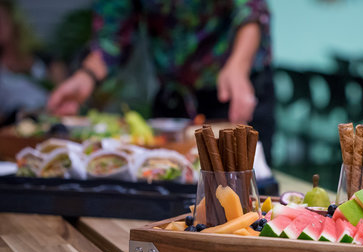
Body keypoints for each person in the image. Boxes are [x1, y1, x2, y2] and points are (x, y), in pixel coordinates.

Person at [47, 0, 274, 160]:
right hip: (174, 100)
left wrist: (238, 66)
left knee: (246, 197)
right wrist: (86, 76)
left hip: (235, 91)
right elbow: (113, 32)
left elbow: (251, 10)